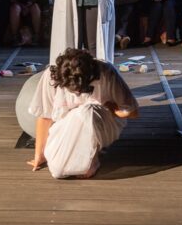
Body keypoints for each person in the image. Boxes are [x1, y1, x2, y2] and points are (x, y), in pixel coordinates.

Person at [27, 47, 138, 179]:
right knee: (58, 171)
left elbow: (132, 112)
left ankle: (93, 159)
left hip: (101, 122)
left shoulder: (106, 72)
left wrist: (111, 108)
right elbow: (45, 116)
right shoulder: (51, 75)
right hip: (67, 127)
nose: (77, 93)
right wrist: (39, 155)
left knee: (87, 111)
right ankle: (75, 157)